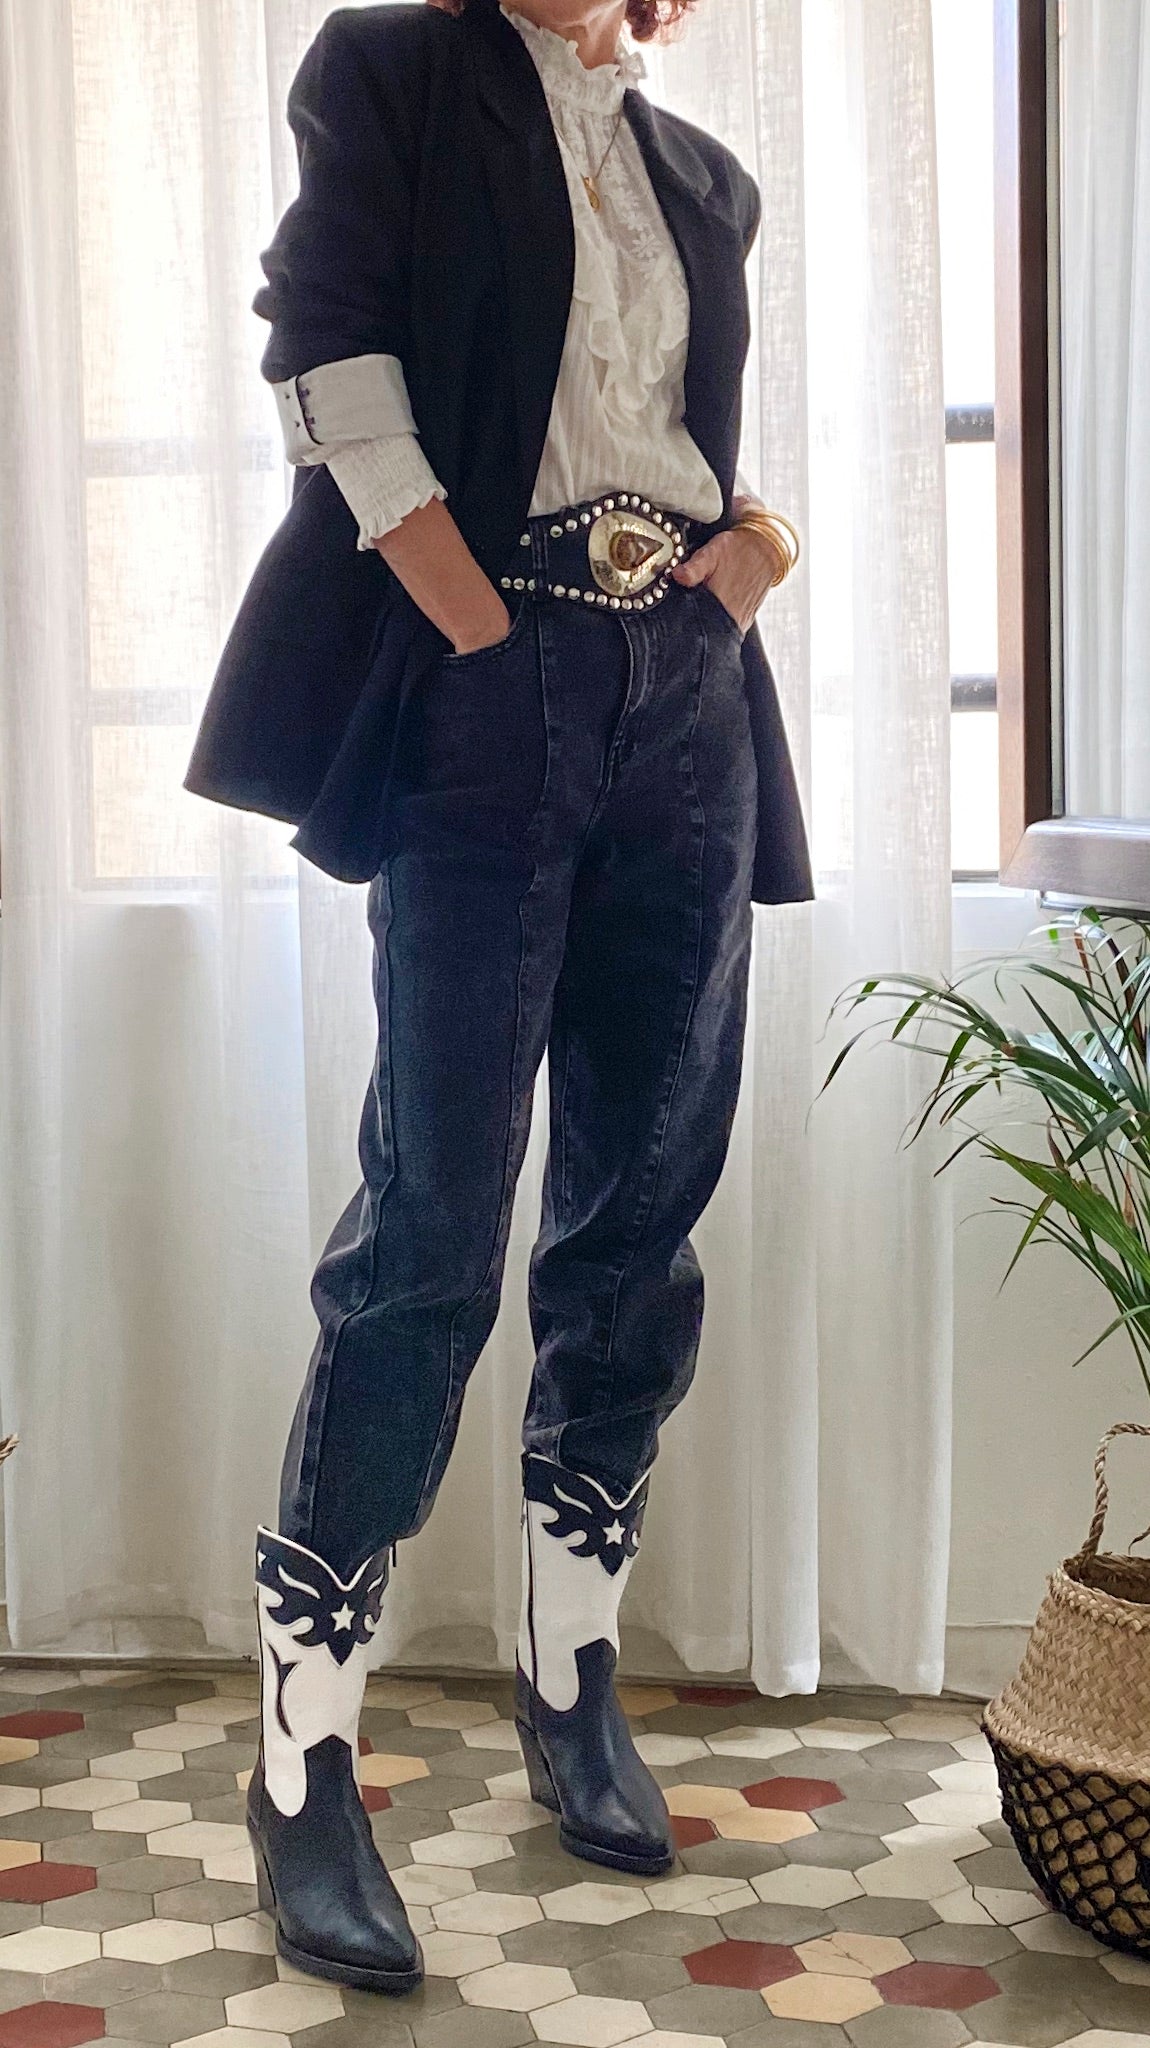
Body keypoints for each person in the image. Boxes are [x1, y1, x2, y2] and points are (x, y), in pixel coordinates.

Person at [185, 0, 812, 1998]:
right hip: (488, 679)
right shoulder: (393, 65)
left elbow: (663, 422)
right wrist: (458, 602)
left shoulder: (700, 172)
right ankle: (304, 1760)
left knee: (639, 1210)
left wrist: (749, 553)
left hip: (687, 703)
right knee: (432, 1228)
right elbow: (328, 345)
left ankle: (570, 1674)